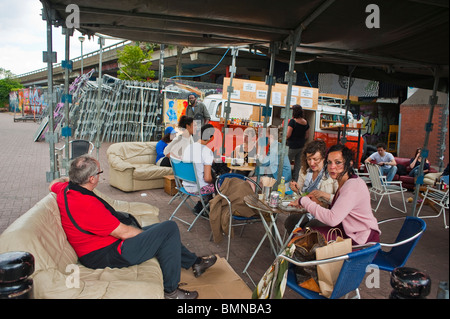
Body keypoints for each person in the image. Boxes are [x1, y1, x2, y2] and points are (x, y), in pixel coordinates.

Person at [49, 155, 217, 299]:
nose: (100, 176)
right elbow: (124, 232)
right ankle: (171, 292)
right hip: (106, 253)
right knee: (169, 229)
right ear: (91, 179)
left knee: (160, 230)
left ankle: (196, 263)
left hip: (101, 245)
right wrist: (146, 238)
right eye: (99, 173)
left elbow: (54, 183)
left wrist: (149, 236)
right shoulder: (87, 204)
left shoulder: (66, 189)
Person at [291, 144, 380, 245]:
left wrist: (303, 201)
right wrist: (318, 201)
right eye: (329, 162)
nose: (332, 167)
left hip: (361, 240)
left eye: (338, 162)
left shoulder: (353, 185)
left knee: (303, 238)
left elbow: (332, 219)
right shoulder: (344, 182)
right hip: (346, 232)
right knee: (302, 234)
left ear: (349, 164)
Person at [285, 140, 338, 232]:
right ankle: (294, 244)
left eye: (315, 159)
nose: (312, 163)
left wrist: (323, 195)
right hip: (306, 210)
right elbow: (301, 194)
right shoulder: (304, 170)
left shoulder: (332, 174)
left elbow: (340, 200)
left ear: (323, 158)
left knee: (310, 227)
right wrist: (296, 189)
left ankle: (300, 244)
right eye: (309, 159)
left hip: (324, 213)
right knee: (290, 221)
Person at [182, 123, 216, 214]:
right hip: (198, 188)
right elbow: (207, 178)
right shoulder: (207, 151)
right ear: (211, 138)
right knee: (220, 184)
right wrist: (215, 180)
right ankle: (211, 209)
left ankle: (201, 205)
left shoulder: (188, 148)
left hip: (186, 184)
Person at [286, 104, 310, 182]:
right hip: (301, 147)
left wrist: (283, 139)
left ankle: (286, 180)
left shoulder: (292, 122)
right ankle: (296, 182)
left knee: (286, 164)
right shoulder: (306, 122)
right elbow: (307, 136)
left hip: (292, 146)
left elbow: (288, 134)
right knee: (298, 166)